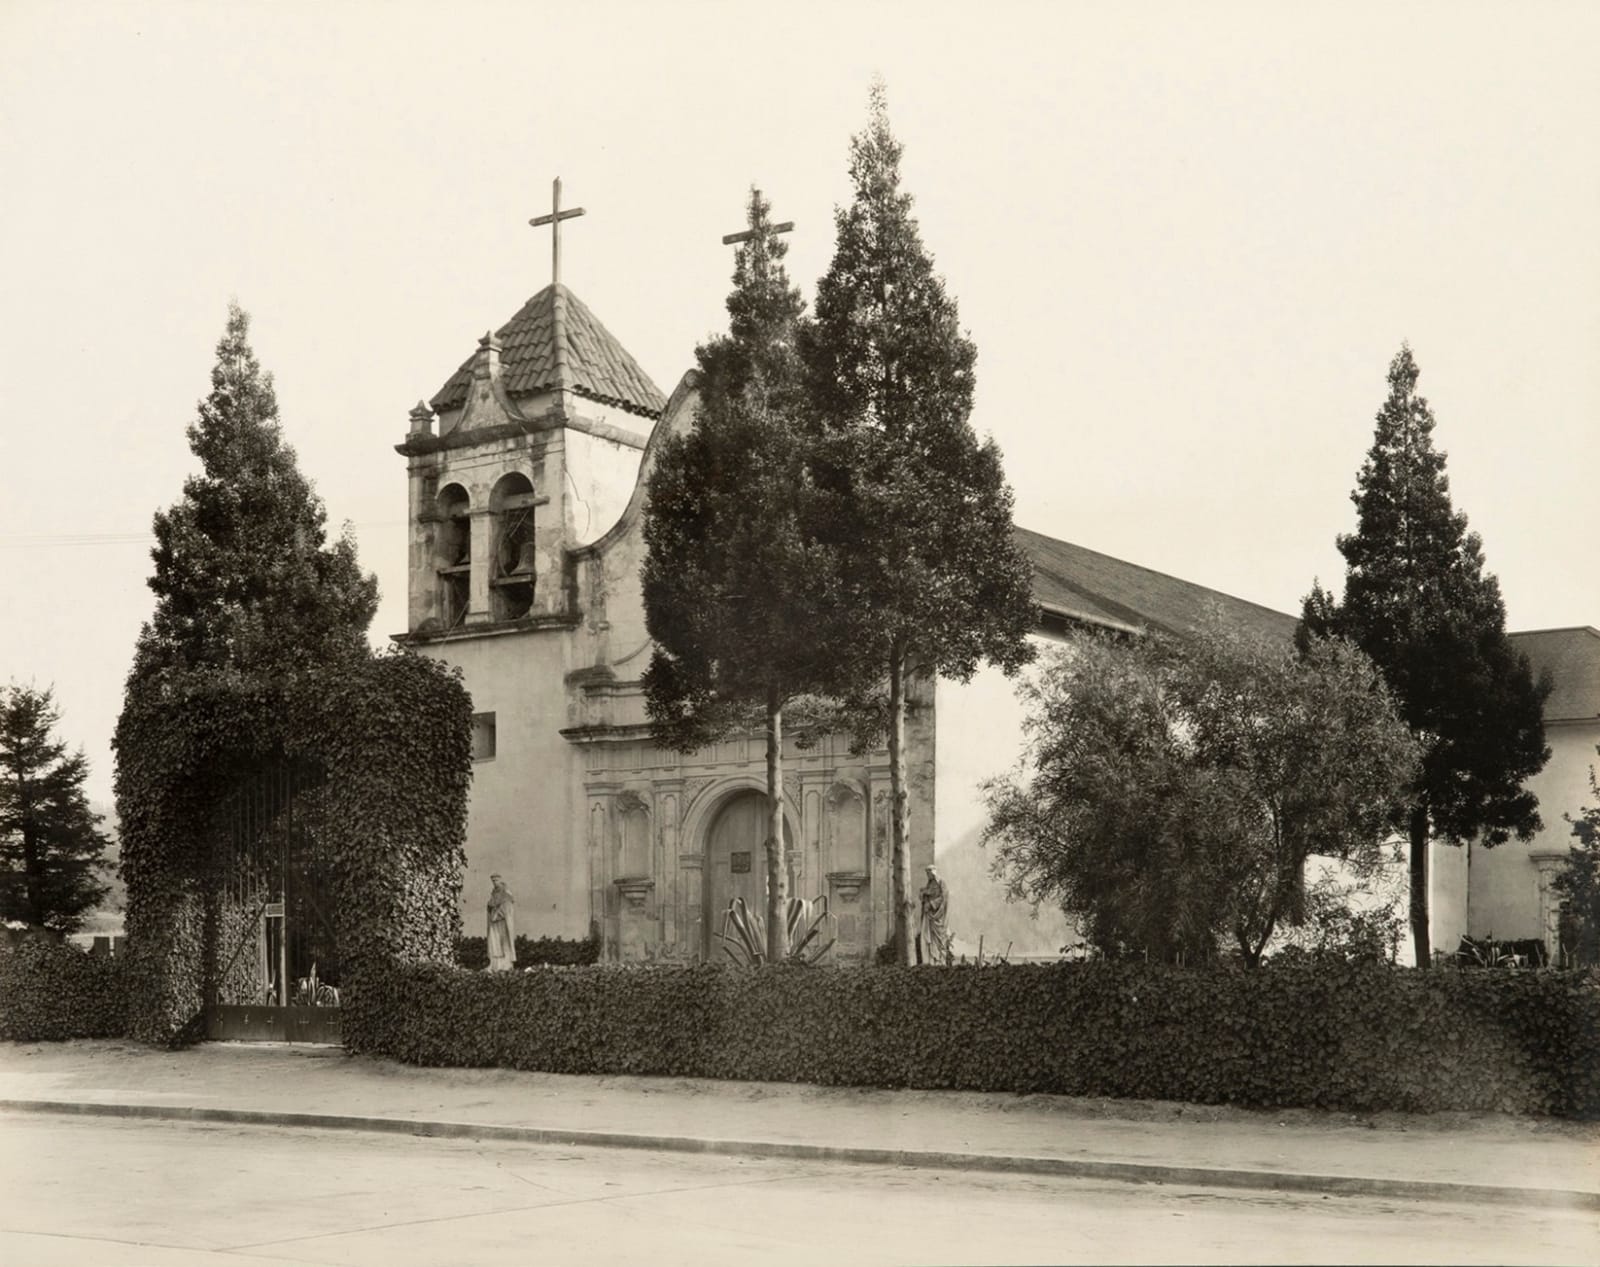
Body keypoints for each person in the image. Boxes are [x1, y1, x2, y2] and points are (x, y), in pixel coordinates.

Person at [919, 864, 952, 966]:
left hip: (938, 917)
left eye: (929, 873)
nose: (928, 876)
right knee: (926, 939)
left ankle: (938, 962)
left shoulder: (942, 883)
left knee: (938, 941)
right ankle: (928, 961)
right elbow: (924, 896)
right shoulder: (929, 885)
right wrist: (923, 896)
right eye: (927, 874)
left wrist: (932, 904)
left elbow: (944, 898)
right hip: (928, 917)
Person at [486, 874, 516, 971]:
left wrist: (498, 914)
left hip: (502, 922)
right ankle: (495, 964)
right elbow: (491, 904)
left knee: (504, 942)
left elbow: (507, 907)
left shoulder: (506, 893)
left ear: (500, 880)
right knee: (494, 941)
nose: (494, 882)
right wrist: (490, 907)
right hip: (494, 922)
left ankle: (505, 964)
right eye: (493, 881)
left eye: (496, 880)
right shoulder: (494, 893)